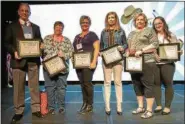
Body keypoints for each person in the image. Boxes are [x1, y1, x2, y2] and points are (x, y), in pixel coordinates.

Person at [4, 3, 43, 123]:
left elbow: (39, 41)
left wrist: (41, 46)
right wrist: (14, 52)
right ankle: (18, 111)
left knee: (34, 86)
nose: (25, 12)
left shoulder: (35, 27)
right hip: (18, 61)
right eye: (23, 10)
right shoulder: (12, 27)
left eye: (27, 11)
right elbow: (6, 43)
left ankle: (36, 109)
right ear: (18, 12)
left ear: (30, 13)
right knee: (18, 88)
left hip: (33, 61)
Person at [126, 13, 159, 119]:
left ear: (145, 21)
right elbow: (129, 47)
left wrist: (142, 50)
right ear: (134, 21)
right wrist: (127, 52)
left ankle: (149, 110)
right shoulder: (131, 33)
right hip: (134, 63)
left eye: (141, 19)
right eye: (137, 20)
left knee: (148, 85)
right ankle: (141, 107)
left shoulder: (149, 30)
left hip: (147, 61)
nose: (139, 21)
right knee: (136, 84)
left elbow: (155, 45)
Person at [152, 16, 183, 115]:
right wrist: (154, 54)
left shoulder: (171, 35)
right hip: (155, 64)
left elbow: (175, 49)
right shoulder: (152, 36)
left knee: (168, 84)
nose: (158, 25)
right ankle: (159, 105)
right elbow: (149, 49)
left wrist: (179, 52)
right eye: (155, 24)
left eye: (159, 23)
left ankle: (167, 107)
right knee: (156, 84)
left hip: (168, 64)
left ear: (164, 23)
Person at [42, 21, 74, 115]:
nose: (58, 29)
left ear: (62, 29)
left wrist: (64, 55)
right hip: (48, 69)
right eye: (57, 27)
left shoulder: (67, 40)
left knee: (61, 88)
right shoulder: (47, 38)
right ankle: (51, 107)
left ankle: (61, 107)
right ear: (54, 27)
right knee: (49, 88)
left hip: (62, 69)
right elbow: (42, 52)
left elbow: (72, 53)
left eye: (60, 27)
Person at [100, 12, 127, 115]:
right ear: (107, 20)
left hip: (118, 60)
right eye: (109, 18)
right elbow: (101, 46)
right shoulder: (103, 32)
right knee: (107, 83)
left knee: (118, 82)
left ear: (116, 19)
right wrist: (101, 52)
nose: (111, 19)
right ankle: (107, 107)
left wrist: (122, 47)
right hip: (106, 61)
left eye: (113, 17)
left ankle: (119, 107)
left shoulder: (121, 31)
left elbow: (125, 44)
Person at [73, 15, 100, 114]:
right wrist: (73, 60)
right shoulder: (77, 37)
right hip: (79, 64)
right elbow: (74, 50)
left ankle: (90, 104)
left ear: (89, 24)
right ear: (80, 24)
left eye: (87, 22)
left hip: (89, 63)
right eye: (83, 22)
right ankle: (84, 102)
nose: (85, 24)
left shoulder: (93, 35)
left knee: (87, 83)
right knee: (82, 83)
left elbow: (97, 49)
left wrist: (93, 62)